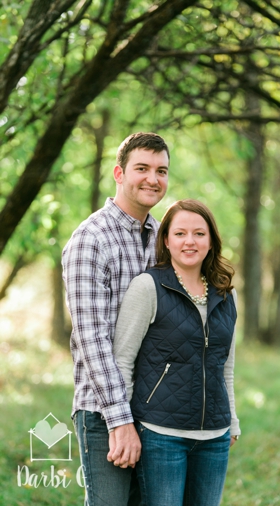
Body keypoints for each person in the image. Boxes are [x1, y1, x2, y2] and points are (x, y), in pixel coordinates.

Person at [63, 132, 171, 505]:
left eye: (161, 170)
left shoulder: (162, 237)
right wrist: (119, 421)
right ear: (119, 173)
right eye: (142, 168)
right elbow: (91, 338)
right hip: (103, 410)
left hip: (156, 409)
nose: (152, 179)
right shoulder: (90, 239)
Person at [113, 199, 240, 506]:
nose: (190, 241)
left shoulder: (226, 292)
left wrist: (232, 419)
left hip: (215, 436)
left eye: (199, 233)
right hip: (161, 435)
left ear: (211, 241)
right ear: (166, 240)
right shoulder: (147, 287)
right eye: (180, 233)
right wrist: (126, 425)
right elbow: (123, 361)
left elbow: (226, 366)